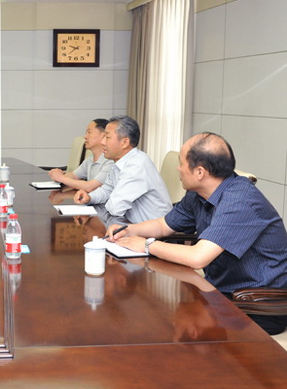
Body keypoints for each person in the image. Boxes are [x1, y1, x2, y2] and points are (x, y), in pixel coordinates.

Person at [107, 132, 287, 335]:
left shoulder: (240, 201)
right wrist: (129, 229)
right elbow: (164, 225)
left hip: (257, 305)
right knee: (154, 314)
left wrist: (147, 245)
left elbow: (197, 258)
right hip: (221, 293)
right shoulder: (198, 194)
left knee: (158, 322)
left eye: (181, 163)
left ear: (200, 172)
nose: (178, 168)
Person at [75, 115, 172, 224]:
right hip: (130, 225)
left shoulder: (137, 165)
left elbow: (115, 208)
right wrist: (89, 197)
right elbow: (107, 190)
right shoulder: (118, 162)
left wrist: (106, 199)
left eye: (107, 137)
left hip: (151, 230)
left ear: (125, 142)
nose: (102, 142)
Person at [49, 118, 113, 193]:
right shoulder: (90, 158)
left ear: (103, 136)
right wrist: (56, 175)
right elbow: (74, 176)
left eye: (89, 132)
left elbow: (90, 187)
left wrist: (61, 178)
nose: (85, 136)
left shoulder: (111, 161)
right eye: (86, 133)